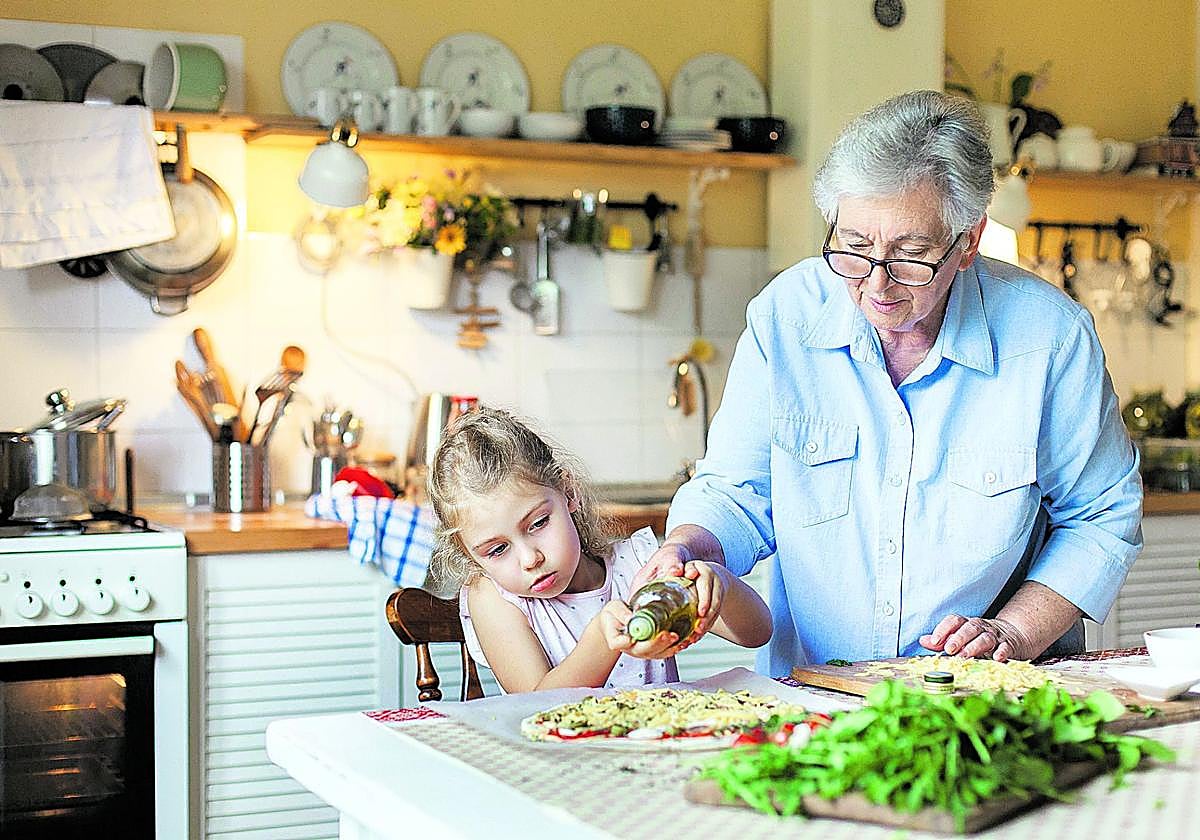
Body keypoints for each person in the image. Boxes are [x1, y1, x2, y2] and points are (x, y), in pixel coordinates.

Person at [638, 90, 1142, 676]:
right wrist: (686, 547)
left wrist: (1012, 631)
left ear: (968, 242)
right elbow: (734, 489)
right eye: (853, 248)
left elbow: (1102, 517)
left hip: (989, 698)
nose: (876, 285)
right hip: (817, 694)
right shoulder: (786, 317)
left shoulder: (1049, 337)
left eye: (910, 254)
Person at [427, 407, 772, 694]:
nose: (530, 558)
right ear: (469, 553)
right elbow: (534, 704)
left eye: (538, 524)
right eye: (497, 550)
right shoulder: (494, 599)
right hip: (559, 770)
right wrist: (601, 640)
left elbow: (757, 632)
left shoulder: (639, 564)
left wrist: (721, 586)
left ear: (568, 492)